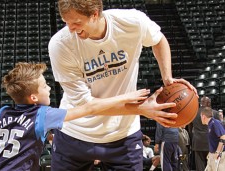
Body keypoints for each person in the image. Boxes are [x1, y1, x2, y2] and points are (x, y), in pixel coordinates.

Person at [48, 0, 197, 170]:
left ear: (95, 14)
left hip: (123, 134)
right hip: (75, 133)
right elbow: (87, 105)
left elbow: (158, 39)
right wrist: (139, 109)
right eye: (66, 22)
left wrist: (168, 79)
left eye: (76, 23)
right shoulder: (60, 44)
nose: (71, 29)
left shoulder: (132, 22)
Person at [0, 62, 154, 171]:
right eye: (44, 86)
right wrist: (126, 97)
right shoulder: (42, 115)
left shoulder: (2, 112)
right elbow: (89, 108)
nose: (49, 87)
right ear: (33, 97)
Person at [190, 96, 213, 171]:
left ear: (200, 103)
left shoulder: (193, 113)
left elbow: (190, 129)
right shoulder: (214, 113)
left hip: (197, 142)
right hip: (210, 142)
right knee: (211, 165)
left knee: (199, 165)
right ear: (208, 103)